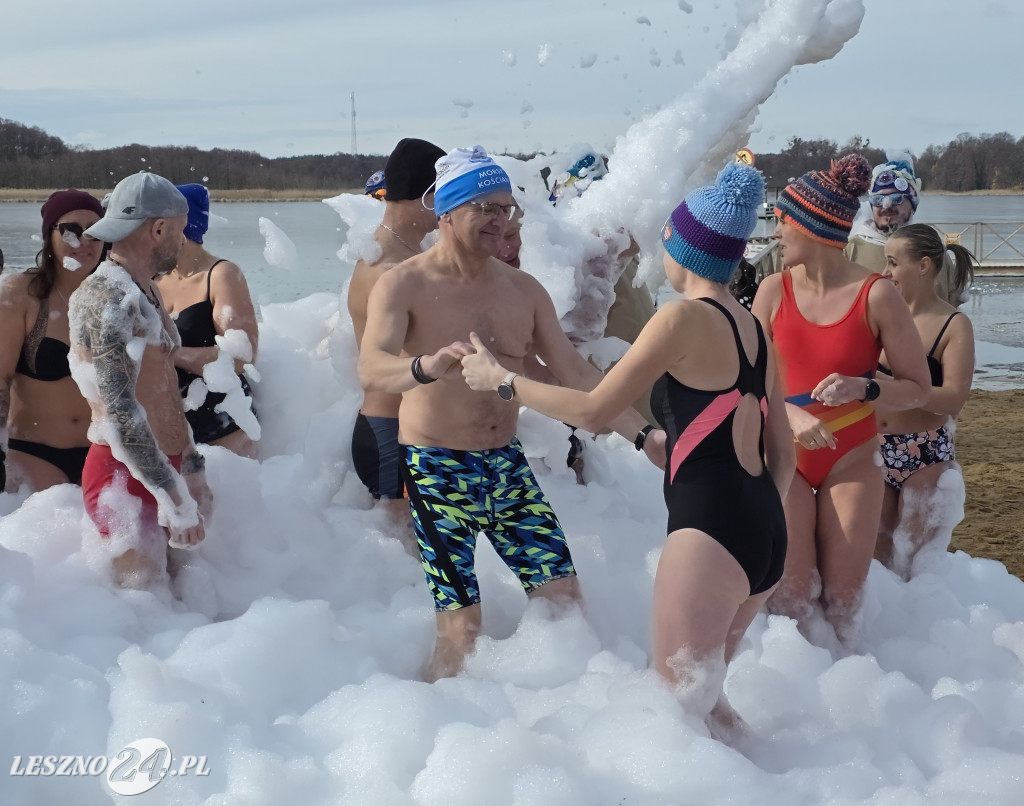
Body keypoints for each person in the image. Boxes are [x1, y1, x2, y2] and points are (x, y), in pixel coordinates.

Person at [462, 161, 794, 734]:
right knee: (710, 706)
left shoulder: (680, 320)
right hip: (764, 528)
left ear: (684, 250)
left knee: (672, 719)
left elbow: (591, 409)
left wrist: (504, 381)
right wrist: (753, 514)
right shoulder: (753, 328)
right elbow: (782, 452)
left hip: (710, 532)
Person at [359, 145, 664, 681]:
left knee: (563, 599)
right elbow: (373, 367)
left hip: (506, 466)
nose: (503, 221)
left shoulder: (523, 290)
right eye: (487, 209)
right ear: (448, 212)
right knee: (461, 625)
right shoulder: (404, 283)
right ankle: (439, 727)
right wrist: (425, 368)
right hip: (436, 468)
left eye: (508, 209)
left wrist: (645, 436)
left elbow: (575, 373)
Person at [751, 155, 930, 646]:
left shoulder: (876, 296)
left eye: (783, 221)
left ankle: (852, 699)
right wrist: (787, 412)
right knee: (790, 600)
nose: (776, 232)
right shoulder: (771, 290)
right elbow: (741, 382)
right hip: (784, 455)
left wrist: (865, 387)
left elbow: (918, 388)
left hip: (851, 457)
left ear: (811, 226)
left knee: (844, 602)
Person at [69, 172, 212, 589]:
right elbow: (120, 413)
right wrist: (175, 499)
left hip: (159, 470)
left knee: (176, 607)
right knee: (141, 609)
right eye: (181, 232)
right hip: (122, 477)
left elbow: (163, 387)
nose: (184, 243)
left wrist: (191, 465)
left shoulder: (143, 290)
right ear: (159, 228)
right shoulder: (107, 297)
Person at [347, 137, 445, 532]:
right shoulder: (389, 267)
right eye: (444, 193)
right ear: (426, 195)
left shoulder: (392, 253)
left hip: (395, 431)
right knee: (411, 565)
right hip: (391, 436)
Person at [875, 224, 976, 578]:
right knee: (878, 559)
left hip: (926, 452)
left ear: (922, 266)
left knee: (912, 559)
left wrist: (887, 386)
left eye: (892, 262)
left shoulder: (953, 324)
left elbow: (953, 399)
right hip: (875, 448)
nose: (885, 272)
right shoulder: (878, 316)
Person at [0, 190, 105, 492]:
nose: (83, 241)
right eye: (71, 230)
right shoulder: (22, 293)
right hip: (34, 452)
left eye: (95, 232)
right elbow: (1, 378)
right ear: (50, 235)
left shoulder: (116, 295)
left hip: (102, 451)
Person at [153, 184, 260, 458]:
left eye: (156, 226)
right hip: (170, 431)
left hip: (224, 427)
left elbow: (241, 358)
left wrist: (170, 353)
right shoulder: (154, 279)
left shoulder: (221, 275)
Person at [846, 155, 968, 306]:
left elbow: (952, 309)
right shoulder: (852, 249)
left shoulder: (933, 251)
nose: (886, 205)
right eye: (878, 199)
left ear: (913, 205)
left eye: (896, 198)